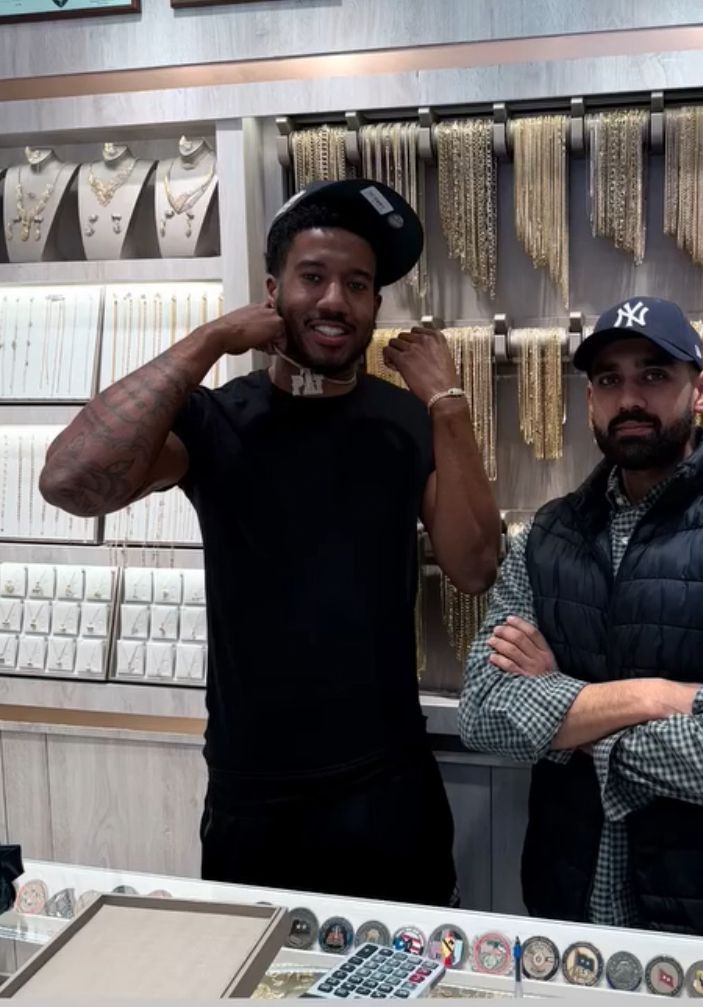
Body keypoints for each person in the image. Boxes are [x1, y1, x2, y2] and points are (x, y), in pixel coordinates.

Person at [40, 179, 500, 906]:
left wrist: (446, 401)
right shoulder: (215, 419)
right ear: (271, 290)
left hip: (388, 781)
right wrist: (211, 339)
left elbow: (475, 566)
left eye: (357, 284)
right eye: (312, 277)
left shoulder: (403, 422)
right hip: (256, 792)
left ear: (375, 306)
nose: (334, 300)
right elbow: (69, 480)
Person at [459, 296, 703, 940]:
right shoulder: (547, 536)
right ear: (591, 399)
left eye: (654, 375)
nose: (630, 397)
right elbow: (485, 713)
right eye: (609, 379)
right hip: (564, 909)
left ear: (701, 389)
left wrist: (561, 713)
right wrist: (653, 697)